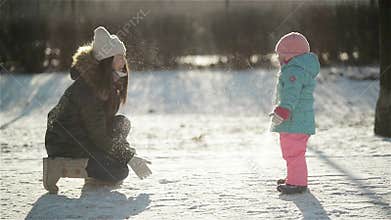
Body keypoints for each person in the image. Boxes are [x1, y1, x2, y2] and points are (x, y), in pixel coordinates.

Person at [45, 26, 151, 185]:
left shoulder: (109, 83)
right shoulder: (88, 88)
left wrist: (127, 154)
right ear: (106, 60)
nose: (123, 61)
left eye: (124, 56)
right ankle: (60, 164)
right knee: (119, 171)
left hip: (86, 138)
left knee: (121, 123)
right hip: (66, 144)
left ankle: (96, 165)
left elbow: (104, 127)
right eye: (118, 57)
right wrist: (129, 157)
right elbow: (99, 135)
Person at [269, 32, 320, 194]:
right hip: (297, 120)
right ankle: (294, 177)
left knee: (293, 152)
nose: (278, 58)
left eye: (280, 55)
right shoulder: (297, 69)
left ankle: (297, 183)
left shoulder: (294, 72)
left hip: (295, 120)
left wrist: (282, 111)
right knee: (292, 151)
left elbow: (291, 94)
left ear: (289, 55)